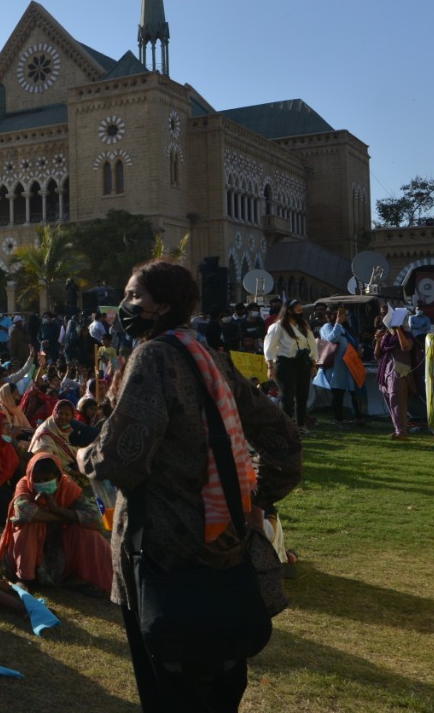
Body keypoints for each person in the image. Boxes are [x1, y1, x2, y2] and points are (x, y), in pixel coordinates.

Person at [80, 259, 302, 711]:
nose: (124, 305)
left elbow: (122, 457)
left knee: (170, 682)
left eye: (134, 296)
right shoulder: (210, 356)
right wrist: (250, 496)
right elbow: (282, 439)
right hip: (225, 541)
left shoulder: (153, 356)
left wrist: (87, 456)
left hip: (163, 550)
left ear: (162, 305)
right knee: (220, 677)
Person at [0, 453, 112, 596]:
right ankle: (24, 578)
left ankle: (107, 580)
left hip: (57, 552)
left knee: (87, 532)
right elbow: (24, 513)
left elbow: (97, 519)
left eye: (47, 479)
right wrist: (61, 517)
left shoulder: (68, 487)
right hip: (25, 553)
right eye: (37, 480)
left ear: (58, 477)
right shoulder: (24, 485)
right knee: (31, 523)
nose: (41, 483)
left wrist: (58, 509)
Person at [263, 298, 318, 429]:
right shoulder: (278, 327)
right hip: (285, 363)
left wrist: (313, 363)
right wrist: (270, 366)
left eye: (301, 310)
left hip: (303, 363)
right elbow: (269, 347)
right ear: (289, 311)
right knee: (287, 397)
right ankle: (286, 427)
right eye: (298, 310)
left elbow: (312, 344)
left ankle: (301, 425)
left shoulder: (303, 326)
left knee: (302, 395)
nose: (300, 313)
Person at [314, 307, 365, 427]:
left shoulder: (347, 329)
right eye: (336, 314)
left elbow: (352, 342)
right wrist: (337, 323)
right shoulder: (326, 327)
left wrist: (358, 349)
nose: (341, 316)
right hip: (336, 366)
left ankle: (359, 417)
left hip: (350, 365)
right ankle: (338, 420)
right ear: (329, 315)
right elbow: (332, 339)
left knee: (354, 392)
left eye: (343, 314)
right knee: (338, 393)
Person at [374, 309, 416, 441]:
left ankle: (401, 431)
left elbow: (405, 347)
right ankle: (398, 429)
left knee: (398, 402)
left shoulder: (407, 335)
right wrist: (378, 340)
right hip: (386, 372)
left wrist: (398, 330)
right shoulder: (386, 336)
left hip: (399, 372)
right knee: (391, 402)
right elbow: (377, 355)